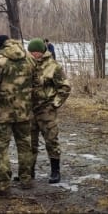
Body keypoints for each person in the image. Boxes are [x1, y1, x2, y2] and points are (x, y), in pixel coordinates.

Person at [0, 35, 35, 195]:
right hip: (25, 111)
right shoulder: (29, 59)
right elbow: (37, 82)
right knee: (25, 145)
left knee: (1, 149)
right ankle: (26, 179)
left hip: (2, 113)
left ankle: (3, 185)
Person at [28, 38, 71, 184]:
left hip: (47, 110)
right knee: (29, 143)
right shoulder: (27, 65)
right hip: (30, 110)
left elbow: (65, 87)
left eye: (36, 52)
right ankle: (29, 171)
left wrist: (55, 104)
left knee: (51, 140)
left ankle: (55, 171)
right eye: (31, 52)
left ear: (42, 52)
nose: (34, 55)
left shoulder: (53, 66)